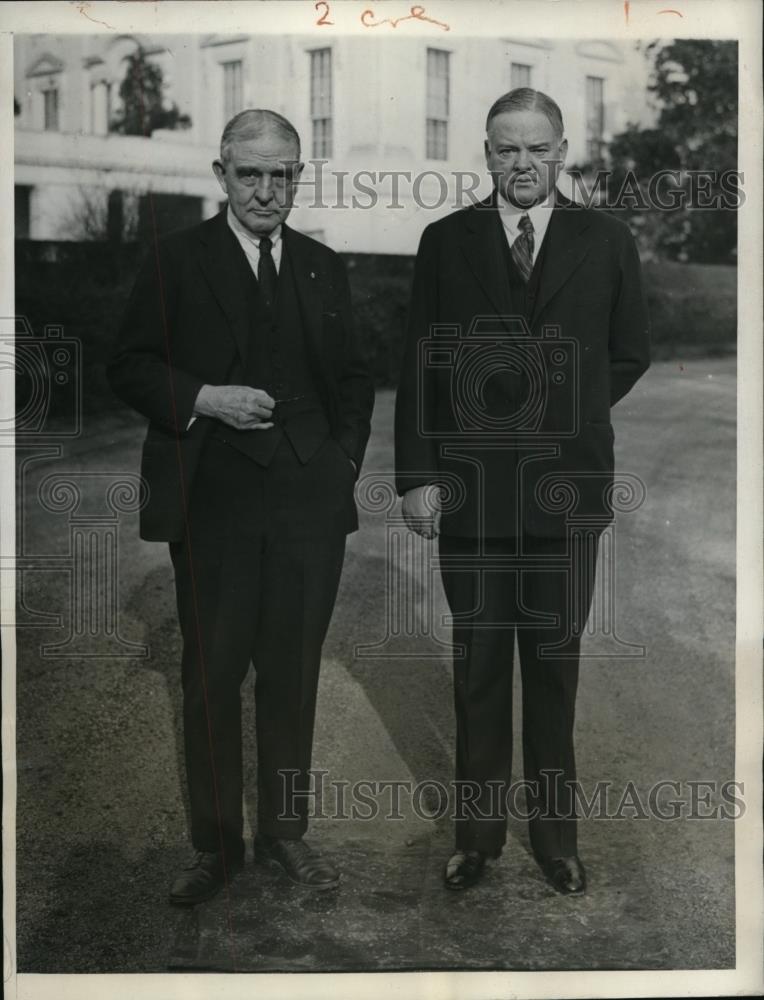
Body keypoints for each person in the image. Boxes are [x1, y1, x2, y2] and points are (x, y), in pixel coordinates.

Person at [108, 109, 374, 905]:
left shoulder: (326, 267)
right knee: (212, 676)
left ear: (299, 176)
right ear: (220, 175)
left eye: (282, 174)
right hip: (215, 503)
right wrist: (205, 397)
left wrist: (340, 464)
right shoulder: (175, 261)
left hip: (308, 509)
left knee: (291, 677)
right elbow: (126, 364)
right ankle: (217, 846)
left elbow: (356, 380)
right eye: (250, 173)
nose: (267, 190)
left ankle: (285, 835)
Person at [394, 88, 650, 894]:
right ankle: (477, 840)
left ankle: (556, 840)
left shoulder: (607, 241)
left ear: (562, 151)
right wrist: (418, 477)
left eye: (537, 149)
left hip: (566, 492)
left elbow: (629, 352)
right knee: (475, 669)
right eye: (507, 149)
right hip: (470, 493)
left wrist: (557, 411)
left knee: (552, 664)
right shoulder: (446, 241)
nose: (522, 164)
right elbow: (418, 364)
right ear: (487, 152)